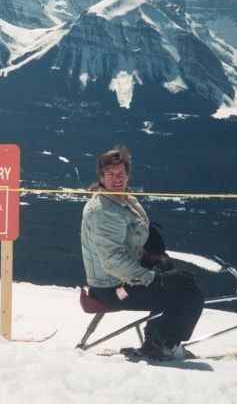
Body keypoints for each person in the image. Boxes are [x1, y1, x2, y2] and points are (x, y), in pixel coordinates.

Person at [80, 146, 204, 360]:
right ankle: (161, 345)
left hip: (121, 280)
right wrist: (154, 279)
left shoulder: (122, 199)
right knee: (189, 296)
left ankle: (155, 340)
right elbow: (113, 260)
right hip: (112, 288)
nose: (117, 179)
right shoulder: (103, 211)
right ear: (101, 177)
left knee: (180, 284)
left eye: (121, 174)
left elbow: (125, 241)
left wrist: (148, 250)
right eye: (110, 174)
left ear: (128, 175)